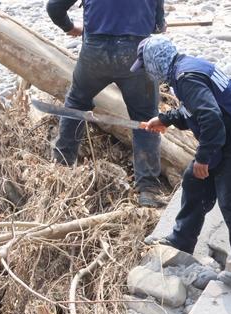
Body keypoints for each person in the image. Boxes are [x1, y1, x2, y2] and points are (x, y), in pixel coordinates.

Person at [134, 35, 231, 289]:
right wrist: (167, 119)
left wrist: (203, 158)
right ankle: (182, 240)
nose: (147, 73)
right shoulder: (186, 70)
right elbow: (196, 111)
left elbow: (210, 118)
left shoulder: (187, 78)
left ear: (155, 62)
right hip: (227, 136)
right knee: (194, 183)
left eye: (146, 67)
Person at [47, 0, 167, 208]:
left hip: (95, 52)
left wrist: (70, 27)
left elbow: (54, 7)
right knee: (146, 118)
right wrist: (159, 24)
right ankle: (147, 189)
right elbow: (158, 26)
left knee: (76, 104)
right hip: (135, 53)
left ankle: (61, 169)